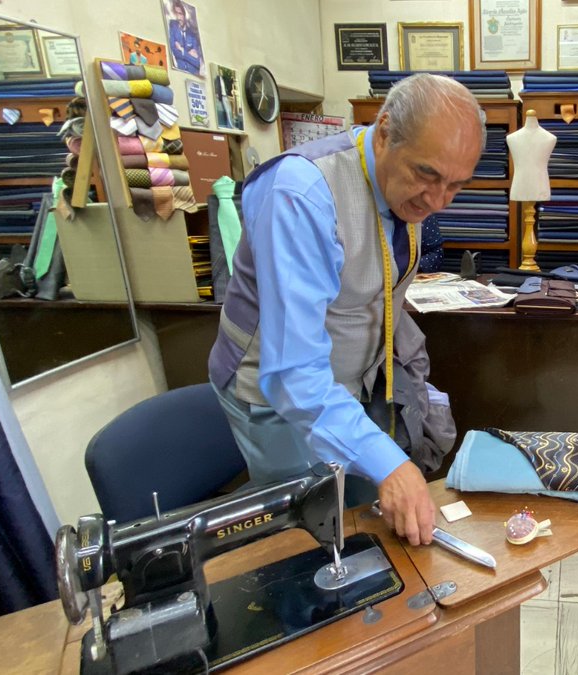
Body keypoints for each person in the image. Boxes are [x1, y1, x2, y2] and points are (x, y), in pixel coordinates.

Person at [208, 74, 485, 546]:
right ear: (383, 132)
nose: (438, 201)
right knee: (312, 536)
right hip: (274, 393)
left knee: (363, 519)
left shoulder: (400, 186)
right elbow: (292, 374)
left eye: (456, 186)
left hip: (344, 386)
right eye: (428, 175)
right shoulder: (301, 195)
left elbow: (377, 291)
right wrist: (388, 462)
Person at [168, 0, 203, 75]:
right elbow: (174, 51)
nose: (178, 17)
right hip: (179, 71)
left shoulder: (192, 34)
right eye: (176, 14)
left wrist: (182, 51)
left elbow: (197, 63)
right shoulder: (173, 27)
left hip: (193, 73)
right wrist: (189, 55)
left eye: (180, 14)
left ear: (185, 15)